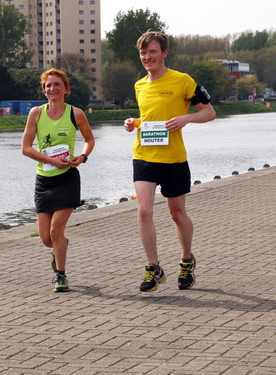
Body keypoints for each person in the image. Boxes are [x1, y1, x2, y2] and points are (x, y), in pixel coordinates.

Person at [124, 31, 216, 292]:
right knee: (143, 211)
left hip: (174, 158)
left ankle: (187, 259)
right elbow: (150, 118)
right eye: (143, 52)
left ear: (164, 53)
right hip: (144, 155)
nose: (147, 57)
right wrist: (132, 123)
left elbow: (209, 112)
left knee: (177, 214)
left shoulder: (182, 81)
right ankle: (153, 267)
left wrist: (186, 118)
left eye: (152, 51)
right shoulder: (139, 85)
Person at [21, 68, 95, 292]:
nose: (52, 89)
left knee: (56, 230)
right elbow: (25, 148)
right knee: (46, 238)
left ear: (65, 89)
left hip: (67, 179)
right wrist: (49, 160)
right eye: (48, 86)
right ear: (44, 91)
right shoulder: (36, 113)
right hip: (44, 181)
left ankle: (61, 275)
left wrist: (82, 156)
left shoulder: (76, 113)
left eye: (56, 85)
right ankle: (60, 248)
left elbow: (90, 140)